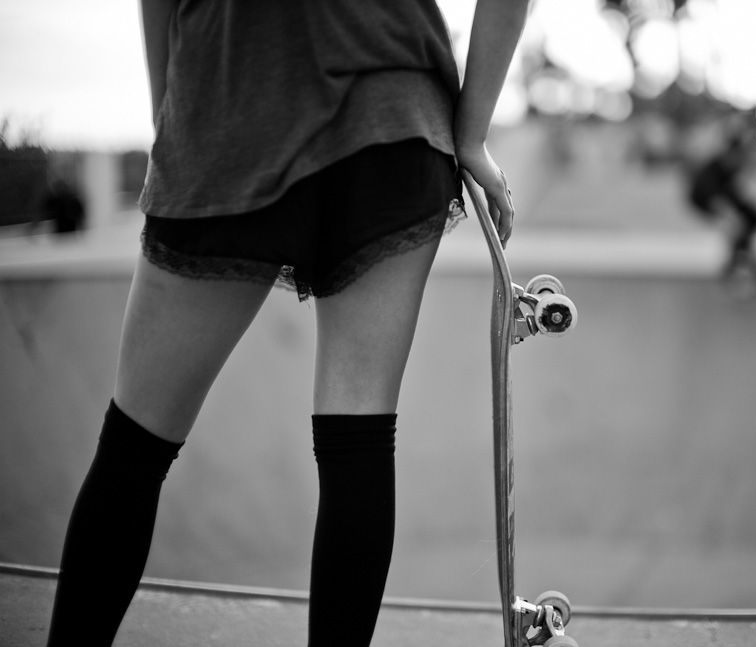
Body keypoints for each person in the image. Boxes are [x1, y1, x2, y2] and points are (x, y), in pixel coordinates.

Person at [46, 1, 526, 645]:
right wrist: (471, 135)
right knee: (358, 427)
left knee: (136, 441)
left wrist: (176, 114)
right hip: (394, 119)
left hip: (231, 100)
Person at [688, 132, 756, 281]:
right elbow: (714, 200)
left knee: (755, 216)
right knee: (737, 224)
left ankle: (745, 255)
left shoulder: (731, 166)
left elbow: (736, 191)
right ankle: (735, 261)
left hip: (723, 196)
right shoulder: (711, 173)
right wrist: (731, 217)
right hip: (704, 200)